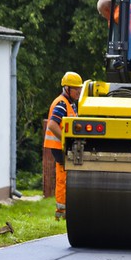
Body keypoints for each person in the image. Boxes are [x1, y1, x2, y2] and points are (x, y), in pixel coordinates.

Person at [43, 72, 82, 221]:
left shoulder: (70, 103)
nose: (78, 92)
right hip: (59, 147)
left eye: (79, 89)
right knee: (63, 178)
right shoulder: (61, 103)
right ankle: (62, 211)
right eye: (75, 89)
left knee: (65, 177)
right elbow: (52, 125)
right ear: (67, 88)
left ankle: (63, 210)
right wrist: (65, 140)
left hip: (62, 147)